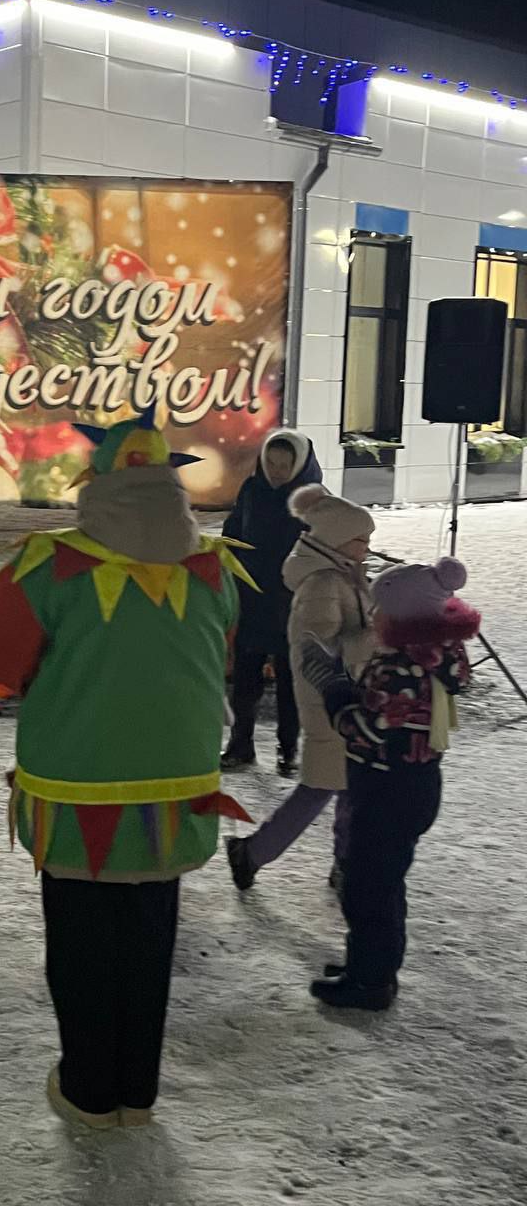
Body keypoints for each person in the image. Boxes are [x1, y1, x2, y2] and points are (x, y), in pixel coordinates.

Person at [0, 407, 254, 1130]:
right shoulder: (215, 569)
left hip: (76, 789)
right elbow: (218, 654)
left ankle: (89, 1092)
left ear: (95, 482)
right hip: (179, 791)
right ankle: (136, 1093)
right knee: (150, 944)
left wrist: (19, 686)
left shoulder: (48, 567)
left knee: (82, 947)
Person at [301, 557, 479, 1009]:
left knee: (367, 887)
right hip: (416, 784)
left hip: (385, 788)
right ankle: (373, 967)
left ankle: (370, 983)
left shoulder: (399, 667)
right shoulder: (441, 656)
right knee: (385, 881)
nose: (374, 616)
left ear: (402, 618)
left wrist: (335, 690)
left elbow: (367, 728)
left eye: (380, 608)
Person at [225, 484, 375, 893]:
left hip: (347, 699)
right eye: (361, 538)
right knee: (319, 789)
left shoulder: (344, 575)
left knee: (347, 789)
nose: (367, 545)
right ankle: (252, 853)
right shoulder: (322, 584)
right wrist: (378, 636)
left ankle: (344, 863)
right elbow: (320, 652)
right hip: (329, 702)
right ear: (337, 539)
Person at [221, 429, 322, 776]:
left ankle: (289, 750)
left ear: (300, 464)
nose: (276, 471)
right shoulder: (252, 490)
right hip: (253, 596)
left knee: (290, 681)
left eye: (284, 464)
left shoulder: (314, 499)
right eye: (271, 463)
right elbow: (234, 532)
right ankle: (241, 745)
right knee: (245, 679)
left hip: (292, 601)